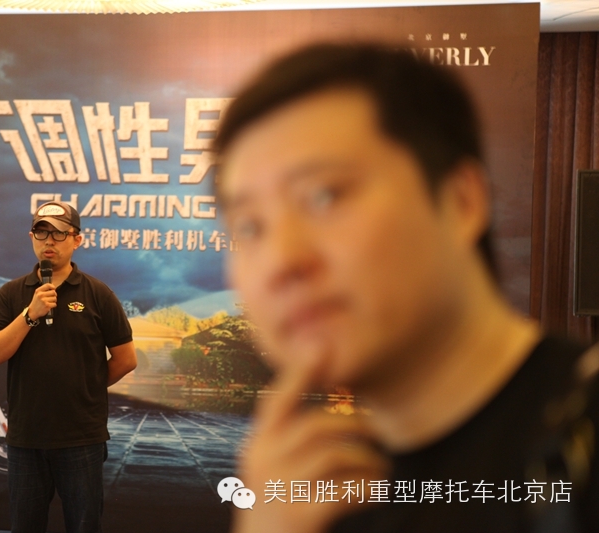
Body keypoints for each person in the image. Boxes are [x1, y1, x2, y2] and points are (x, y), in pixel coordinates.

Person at [212, 44, 598, 533]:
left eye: (325, 195)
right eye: (249, 227)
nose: (282, 261)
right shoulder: (314, 498)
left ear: (461, 201)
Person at [0, 200, 137, 533]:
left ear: (76, 239)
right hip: (26, 437)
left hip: (81, 437)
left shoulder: (98, 293)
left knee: (83, 525)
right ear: (31, 238)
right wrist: (30, 314)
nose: (49, 241)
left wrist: (84, 387)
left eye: (59, 234)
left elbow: (126, 359)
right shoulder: (11, 294)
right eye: (41, 233)